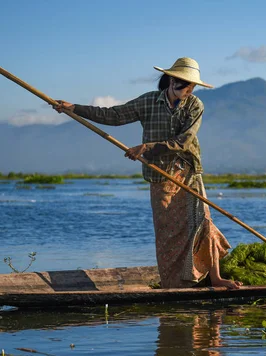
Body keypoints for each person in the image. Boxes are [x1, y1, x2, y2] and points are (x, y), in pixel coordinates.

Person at [54, 57, 242, 289]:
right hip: (159, 175)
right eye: (182, 83)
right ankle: (175, 282)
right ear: (170, 80)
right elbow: (113, 115)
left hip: (187, 172)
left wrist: (147, 147)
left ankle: (216, 278)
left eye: (190, 85)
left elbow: (184, 142)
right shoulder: (149, 102)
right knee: (168, 235)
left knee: (202, 221)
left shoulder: (195, 105)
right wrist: (74, 109)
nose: (186, 89)